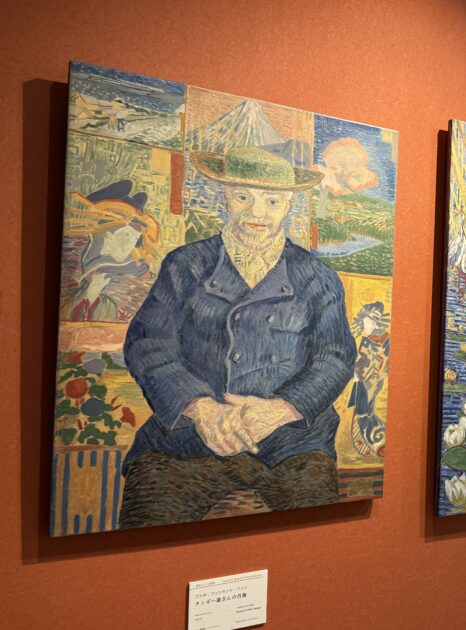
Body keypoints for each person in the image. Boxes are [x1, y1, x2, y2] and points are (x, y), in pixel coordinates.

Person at [118, 146, 357, 528]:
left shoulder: (317, 276)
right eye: (243, 197)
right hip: (187, 442)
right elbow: (149, 344)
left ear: (288, 204)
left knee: (316, 535)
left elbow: (335, 357)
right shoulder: (186, 264)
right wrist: (200, 408)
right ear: (226, 197)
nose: (256, 212)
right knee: (146, 525)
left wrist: (284, 408)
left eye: (272, 201)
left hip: (292, 444)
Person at [62, 180, 160, 322]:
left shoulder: (135, 272)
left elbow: (140, 312)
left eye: (135, 238)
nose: (130, 244)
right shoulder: (72, 253)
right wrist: (90, 294)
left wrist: (95, 297)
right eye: (126, 235)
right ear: (107, 234)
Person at [348, 302, 390, 457]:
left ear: (374, 321)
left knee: (364, 411)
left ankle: (373, 442)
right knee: (363, 411)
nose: (365, 326)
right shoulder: (374, 338)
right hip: (365, 379)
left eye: (367, 322)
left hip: (369, 380)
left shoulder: (381, 340)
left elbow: (377, 364)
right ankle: (370, 441)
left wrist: (361, 373)